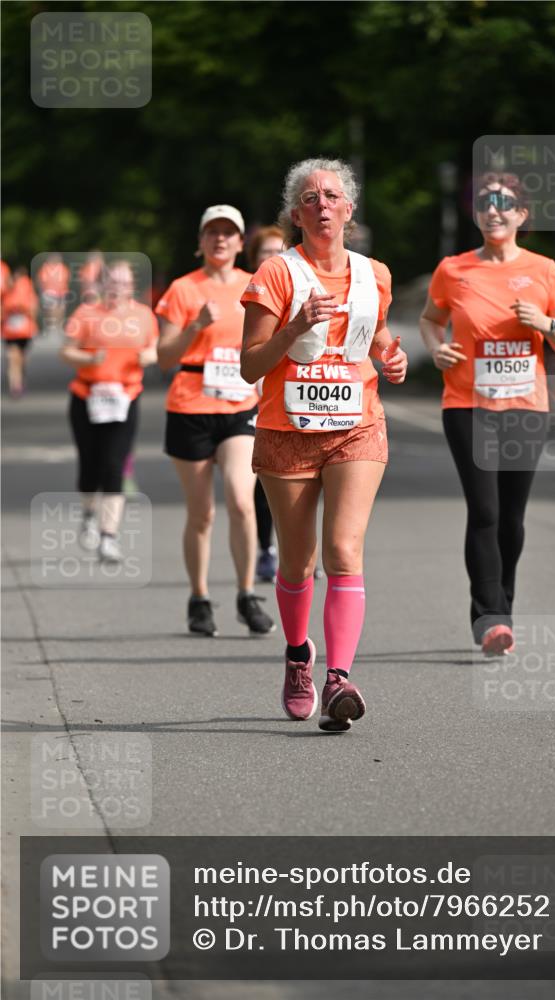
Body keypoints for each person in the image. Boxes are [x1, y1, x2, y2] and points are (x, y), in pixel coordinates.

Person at [241, 158, 408, 732]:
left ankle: (339, 677)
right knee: (298, 561)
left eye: (332, 195)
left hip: (357, 426)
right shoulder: (276, 275)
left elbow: (378, 337)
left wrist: (392, 356)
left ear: (350, 208)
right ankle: (297, 656)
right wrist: (293, 328)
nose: (322, 204)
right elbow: (249, 366)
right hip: (287, 430)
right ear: (296, 214)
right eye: (309, 198)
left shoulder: (374, 274)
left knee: (343, 551)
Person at [419, 172, 555, 656]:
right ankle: (491, 617)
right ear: (477, 213)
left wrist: (545, 323)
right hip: (468, 404)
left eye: (505, 203)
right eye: (486, 203)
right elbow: (431, 319)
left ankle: (499, 605)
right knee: (484, 511)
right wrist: (437, 347)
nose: (494, 210)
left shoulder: (545, 270)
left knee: (511, 517)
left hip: (526, 407)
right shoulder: (453, 269)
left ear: (521, 215)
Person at [156, 205, 275, 638]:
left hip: (240, 407)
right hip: (190, 406)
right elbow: (164, 356)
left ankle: (246, 594)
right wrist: (194, 327)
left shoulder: (255, 286)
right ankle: (199, 597)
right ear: (201, 241)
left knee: (243, 501)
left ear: (242, 243)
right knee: (201, 513)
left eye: (229, 233)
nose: (220, 240)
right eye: (212, 233)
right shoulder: (183, 290)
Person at [61, 260, 158, 563]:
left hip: (125, 398)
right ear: (103, 284)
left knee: (114, 465)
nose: (118, 287)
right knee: (90, 466)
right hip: (87, 397)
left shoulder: (143, 315)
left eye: (124, 282)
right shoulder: (86, 313)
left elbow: (155, 347)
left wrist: (148, 357)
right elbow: (66, 351)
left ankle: (108, 537)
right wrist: (89, 359)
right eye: (112, 281)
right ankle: (89, 514)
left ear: (132, 286)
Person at [245, 226, 285, 583]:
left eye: (279, 250)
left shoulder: (296, 289)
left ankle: (293, 550)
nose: (272, 258)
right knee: (256, 480)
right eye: (264, 252)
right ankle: (263, 547)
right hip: (245, 395)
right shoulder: (247, 295)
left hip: (287, 397)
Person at [2, 266, 39, 397]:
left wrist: (31, 319)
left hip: (24, 330)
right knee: (12, 357)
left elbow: (33, 306)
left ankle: (21, 378)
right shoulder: (4, 292)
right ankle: (15, 386)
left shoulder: (26, 287)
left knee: (21, 358)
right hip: (9, 330)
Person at [37, 252, 70, 334]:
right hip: (49, 292)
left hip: (61, 292)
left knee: (60, 310)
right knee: (51, 311)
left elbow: (66, 280)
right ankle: (51, 328)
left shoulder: (63, 268)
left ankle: (58, 327)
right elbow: (40, 281)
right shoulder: (45, 268)